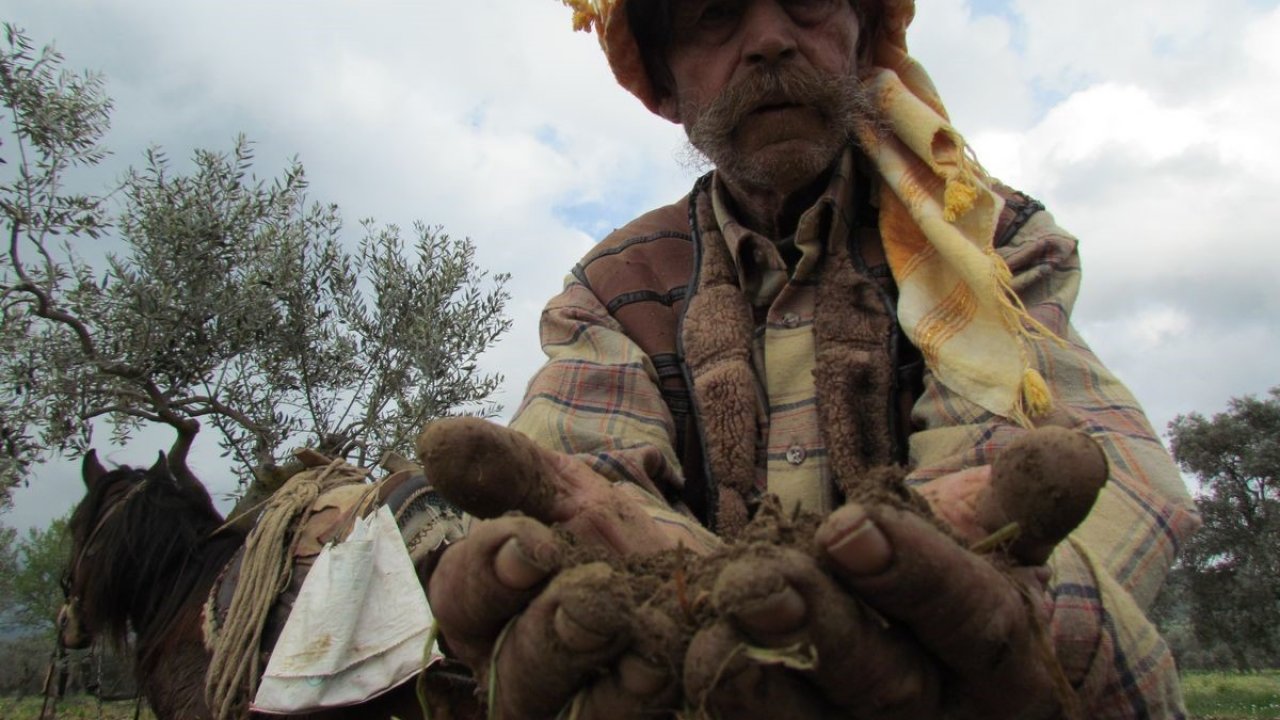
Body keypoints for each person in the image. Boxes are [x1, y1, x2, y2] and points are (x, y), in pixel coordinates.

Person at [425, 0, 1202, 717]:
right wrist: (686, 597)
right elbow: (584, 481)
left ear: (863, 35)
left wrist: (976, 600)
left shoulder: (982, 242)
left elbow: (1064, 477)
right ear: (666, 83)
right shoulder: (615, 287)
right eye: (711, 13)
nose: (767, 40)